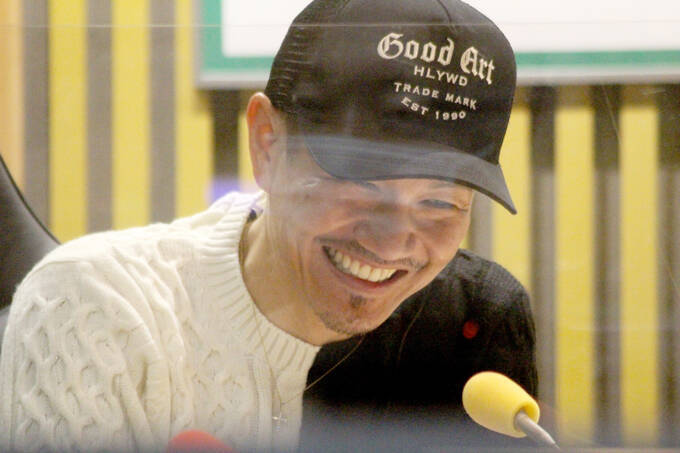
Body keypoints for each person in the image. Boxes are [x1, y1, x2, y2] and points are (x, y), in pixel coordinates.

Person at [0, 0, 537, 451]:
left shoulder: (473, 322)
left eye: (440, 202)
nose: (393, 241)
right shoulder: (93, 307)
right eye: (360, 181)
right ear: (267, 144)